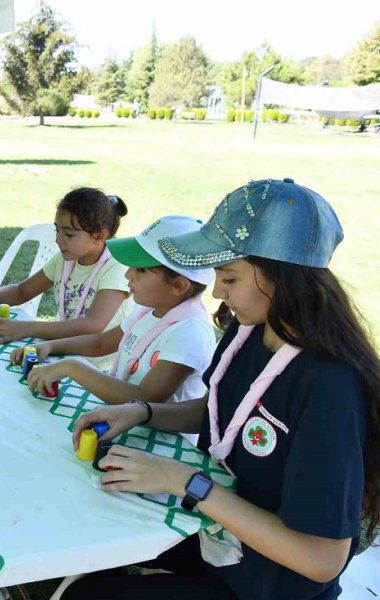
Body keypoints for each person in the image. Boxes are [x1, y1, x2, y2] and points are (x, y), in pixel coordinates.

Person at [64, 179, 379, 600]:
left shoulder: (330, 389)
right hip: (219, 534)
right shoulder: (249, 328)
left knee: (92, 596)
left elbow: (320, 559)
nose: (217, 292)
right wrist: (142, 412)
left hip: (270, 580)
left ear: (284, 280)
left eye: (229, 278)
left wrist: (190, 483)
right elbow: (219, 410)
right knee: (94, 522)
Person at [19, 216, 216, 411]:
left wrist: (71, 367)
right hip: (121, 418)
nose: (128, 274)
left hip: (159, 439)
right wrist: (49, 346)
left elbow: (145, 398)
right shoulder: (148, 310)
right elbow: (100, 343)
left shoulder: (190, 333)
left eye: (141, 269)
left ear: (179, 285)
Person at [0, 187, 133, 371]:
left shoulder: (116, 265)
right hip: (61, 353)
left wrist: (27, 328)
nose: (58, 239)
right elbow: (22, 291)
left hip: (101, 367)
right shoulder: (66, 259)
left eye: (69, 234)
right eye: (57, 230)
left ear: (99, 236)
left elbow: (93, 325)